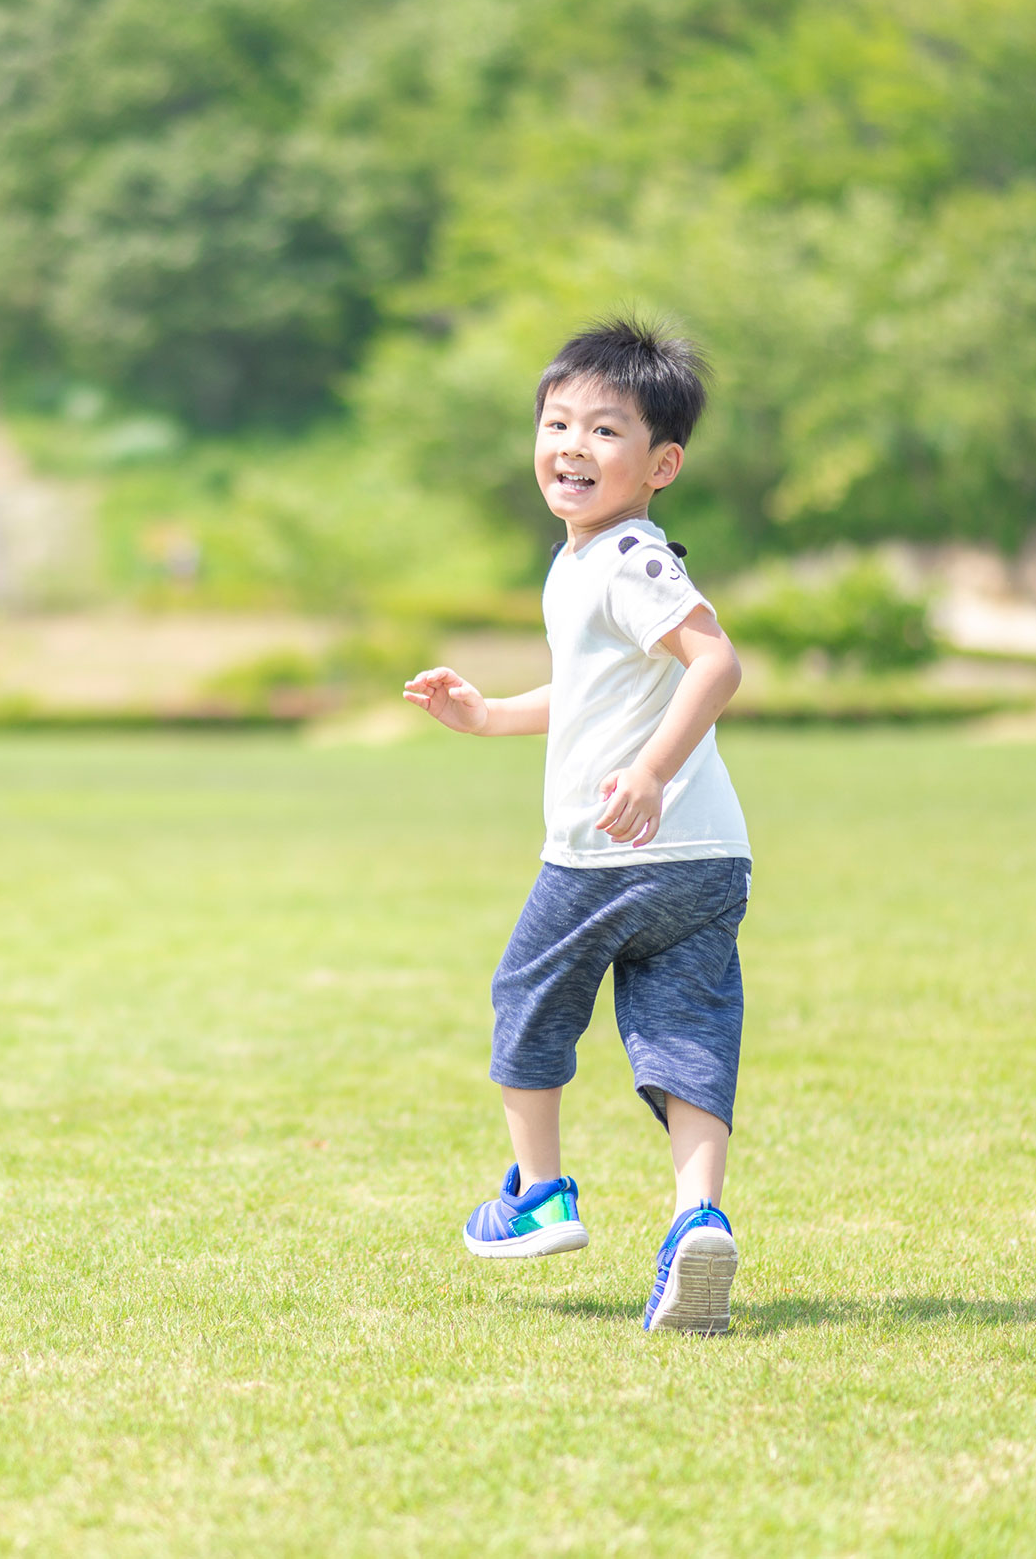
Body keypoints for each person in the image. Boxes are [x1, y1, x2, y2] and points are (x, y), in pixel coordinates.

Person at [404, 318, 751, 1335]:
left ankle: (540, 1194)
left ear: (661, 464)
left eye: (605, 430)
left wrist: (648, 771)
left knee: (527, 993)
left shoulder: (628, 558)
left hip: (611, 852)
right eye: (557, 423)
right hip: (707, 858)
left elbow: (717, 663)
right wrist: (489, 715)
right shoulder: (589, 560)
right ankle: (697, 1221)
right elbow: (598, 692)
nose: (572, 446)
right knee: (687, 1031)